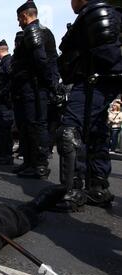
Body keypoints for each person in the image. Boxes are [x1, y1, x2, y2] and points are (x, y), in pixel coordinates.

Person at [55, 0, 122, 212]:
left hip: (93, 81)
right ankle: (97, 187)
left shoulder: (96, 11)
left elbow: (108, 54)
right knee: (96, 132)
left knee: (70, 130)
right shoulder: (96, 12)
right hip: (96, 81)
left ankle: (72, 191)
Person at [10, 1, 60, 179]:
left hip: (36, 86)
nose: (18, 23)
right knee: (28, 125)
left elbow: (40, 60)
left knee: (36, 124)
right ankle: (30, 162)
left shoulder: (33, 30)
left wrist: (49, 85)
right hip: (32, 86)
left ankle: (39, 165)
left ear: (25, 16)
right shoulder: (39, 30)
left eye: (19, 19)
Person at [0, 40, 15, 165]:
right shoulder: (3, 63)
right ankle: (0, 154)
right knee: (0, 129)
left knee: (5, 129)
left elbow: (12, 80)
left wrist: (3, 92)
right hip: (0, 101)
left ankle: (6, 155)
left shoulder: (8, 62)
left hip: (5, 102)